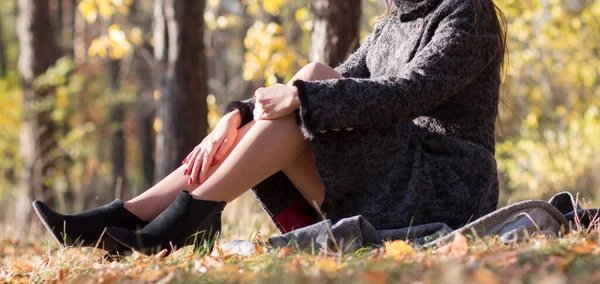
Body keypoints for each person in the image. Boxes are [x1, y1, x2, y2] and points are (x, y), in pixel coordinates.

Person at [33, 0, 507, 255]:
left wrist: (300, 95)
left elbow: (407, 93)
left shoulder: (467, 13)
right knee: (314, 79)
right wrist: (235, 116)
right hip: (393, 174)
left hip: (447, 185)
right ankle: (145, 215)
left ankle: (178, 218)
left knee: (314, 80)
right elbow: (341, 83)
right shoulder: (395, 21)